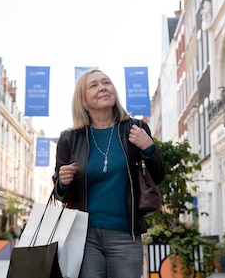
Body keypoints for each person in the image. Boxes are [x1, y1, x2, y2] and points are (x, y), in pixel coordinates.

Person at [54, 69, 165, 278]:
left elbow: (157, 177)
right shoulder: (70, 138)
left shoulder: (135, 129)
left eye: (106, 82)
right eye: (93, 85)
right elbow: (59, 194)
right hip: (84, 237)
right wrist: (62, 182)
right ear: (83, 99)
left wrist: (149, 148)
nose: (102, 87)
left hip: (126, 234)